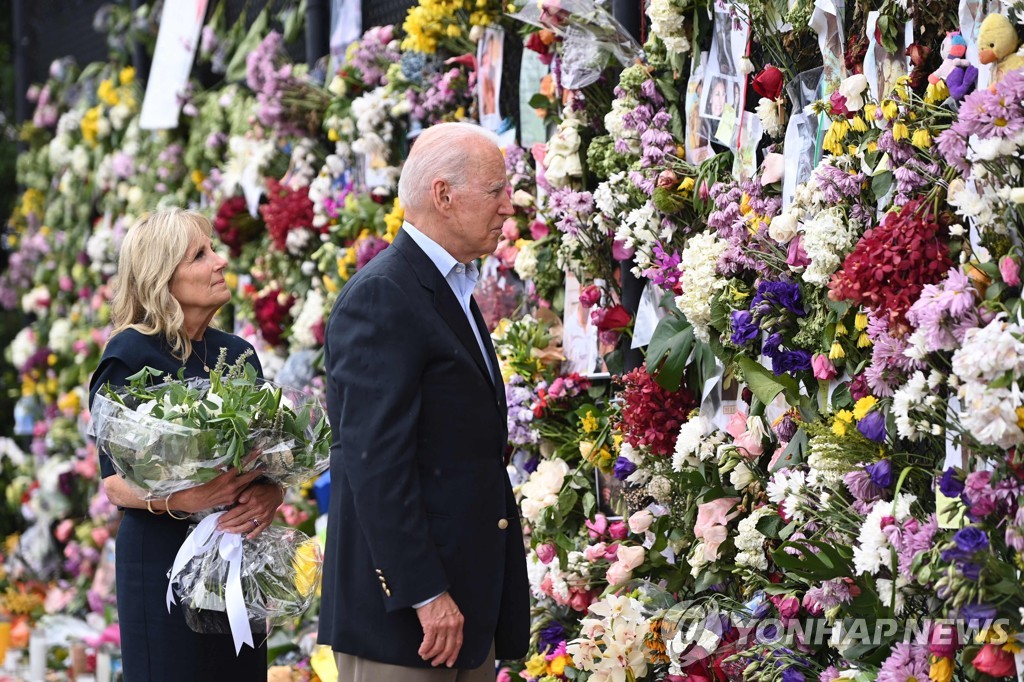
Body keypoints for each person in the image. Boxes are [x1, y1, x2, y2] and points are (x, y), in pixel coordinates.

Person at [318, 122, 530, 681]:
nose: (510, 205)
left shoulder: (447, 286)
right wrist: (425, 592)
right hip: (408, 625)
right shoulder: (383, 297)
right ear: (444, 195)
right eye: (496, 191)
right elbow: (374, 462)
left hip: (461, 613)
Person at [89, 208, 282, 681]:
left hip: (237, 559)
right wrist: (186, 499)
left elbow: (266, 461)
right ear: (162, 279)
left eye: (213, 249)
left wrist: (270, 493)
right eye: (200, 255)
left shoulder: (237, 354)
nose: (219, 262)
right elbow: (115, 485)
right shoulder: (129, 355)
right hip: (162, 567)